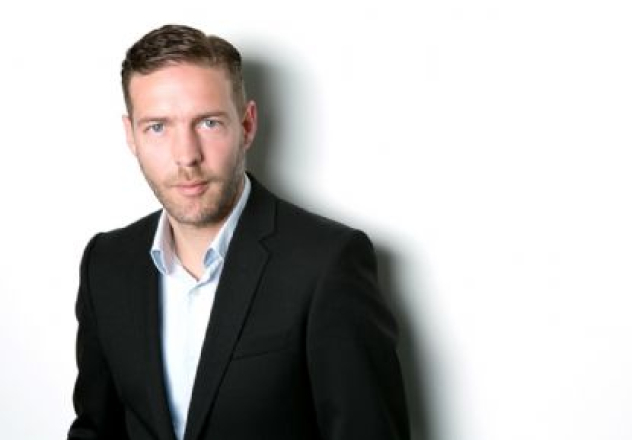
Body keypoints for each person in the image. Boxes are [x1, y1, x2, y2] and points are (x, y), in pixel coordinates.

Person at [67, 24, 410, 440]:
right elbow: (95, 430)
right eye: (157, 127)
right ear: (131, 136)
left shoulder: (327, 263)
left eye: (208, 123)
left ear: (247, 125)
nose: (186, 156)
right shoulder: (105, 264)